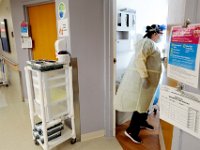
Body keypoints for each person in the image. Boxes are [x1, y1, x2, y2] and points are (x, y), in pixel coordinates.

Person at [114, 24, 165, 144]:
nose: (160, 38)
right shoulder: (146, 42)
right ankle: (131, 131)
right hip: (144, 81)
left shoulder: (151, 44)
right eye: (159, 35)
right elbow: (139, 59)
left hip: (150, 81)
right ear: (154, 34)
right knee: (141, 105)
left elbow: (151, 60)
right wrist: (144, 77)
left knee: (146, 103)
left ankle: (142, 122)